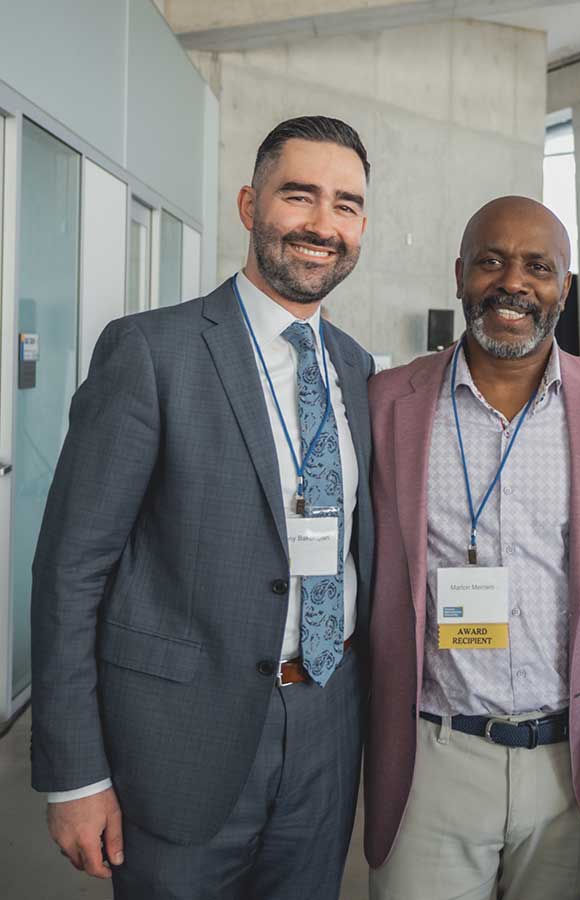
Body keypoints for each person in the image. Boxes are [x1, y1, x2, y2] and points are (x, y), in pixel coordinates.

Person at [31, 116, 375, 899]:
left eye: (347, 205)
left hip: (326, 722)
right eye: (301, 196)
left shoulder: (356, 368)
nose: (324, 225)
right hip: (176, 733)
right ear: (250, 204)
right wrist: (74, 773)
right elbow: (70, 571)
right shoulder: (152, 352)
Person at [365, 196, 580, 900]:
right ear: (460, 274)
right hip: (431, 758)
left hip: (576, 762)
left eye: (538, 266)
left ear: (564, 286)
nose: (513, 282)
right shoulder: (385, 403)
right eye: (491, 261)